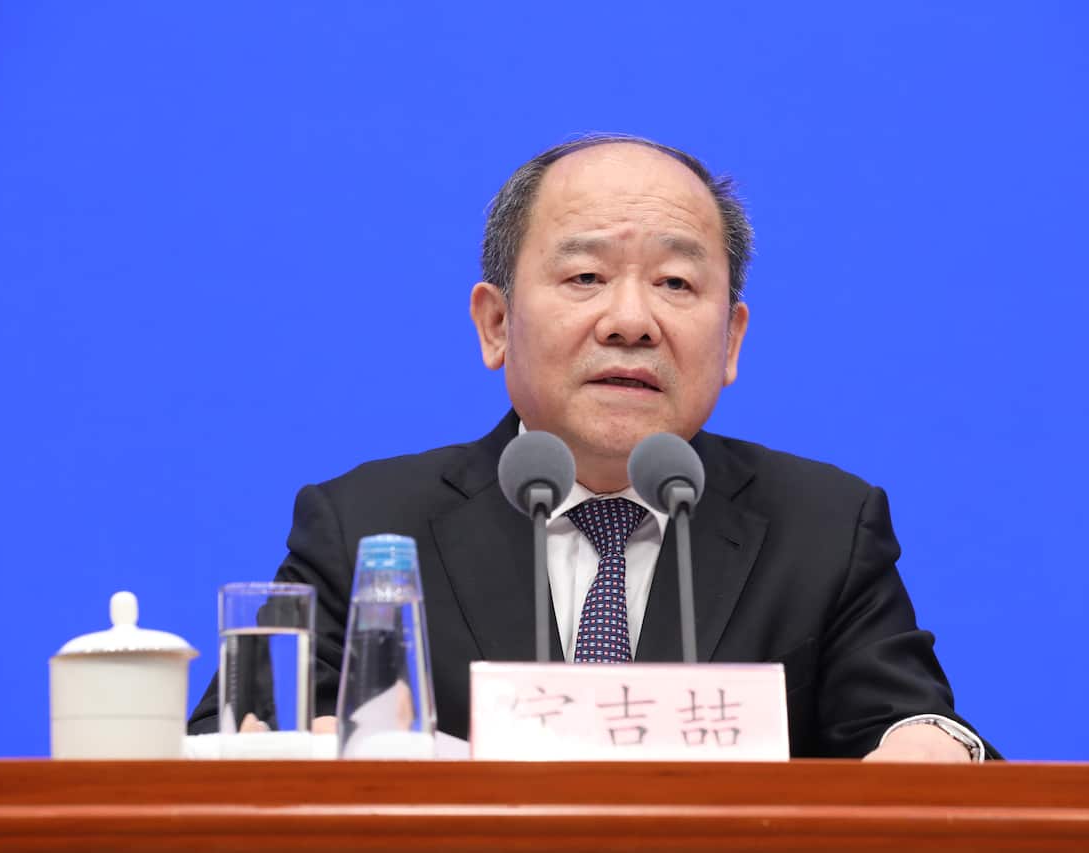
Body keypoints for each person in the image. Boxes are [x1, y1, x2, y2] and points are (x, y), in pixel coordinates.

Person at [189, 134, 997, 761]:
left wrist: (936, 740)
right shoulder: (365, 523)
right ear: (495, 324)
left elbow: (914, 730)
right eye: (584, 279)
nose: (632, 320)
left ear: (731, 341)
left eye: (677, 284)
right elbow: (238, 742)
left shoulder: (823, 527)